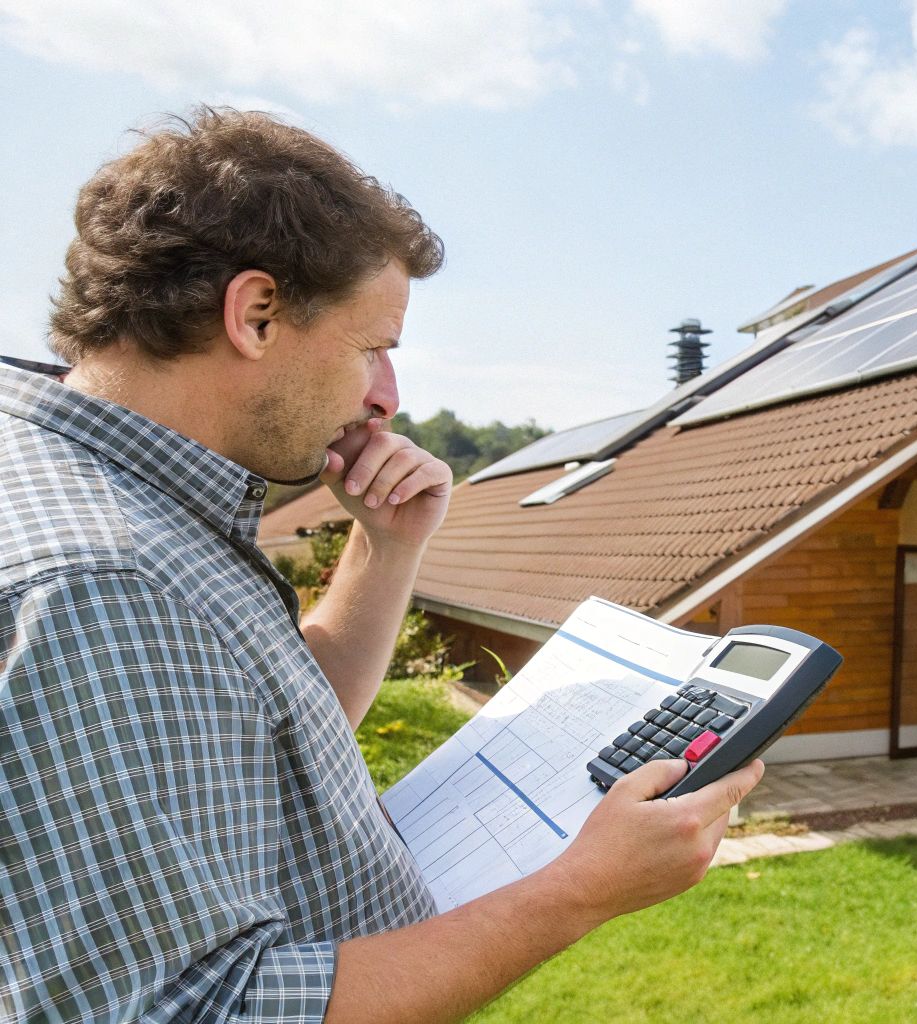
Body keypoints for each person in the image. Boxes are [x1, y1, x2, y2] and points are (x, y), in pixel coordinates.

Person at [0, 107, 763, 1023]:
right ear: (255, 313)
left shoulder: (109, 493)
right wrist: (579, 891)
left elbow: (270, 729)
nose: (388, 399)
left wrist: (386, 544)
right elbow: (195, 1011)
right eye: (374, 348)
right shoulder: (106, 586)